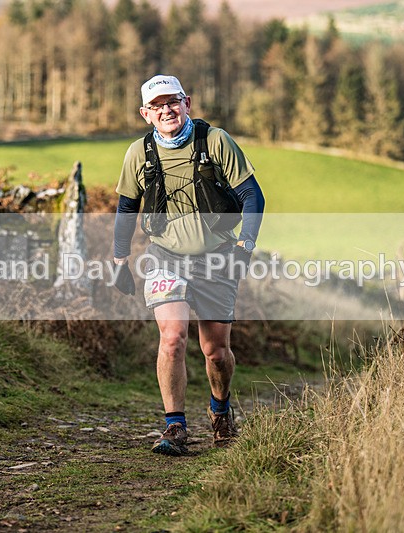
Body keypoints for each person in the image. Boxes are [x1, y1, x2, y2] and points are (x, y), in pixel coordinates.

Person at [112, 74, 265, 456]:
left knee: (215, 350)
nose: (167, 110)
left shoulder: (215, 141)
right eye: (158, 105)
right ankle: (175, 426)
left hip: (217, 257)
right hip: (164, 257)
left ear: (187, 103)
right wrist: (119, 260)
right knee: (173, 335)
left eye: (173, 102)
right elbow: (126, 208)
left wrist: (245, 247)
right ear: (145, 114)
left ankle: (220, 411)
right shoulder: (139, 153)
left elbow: (252, 196)